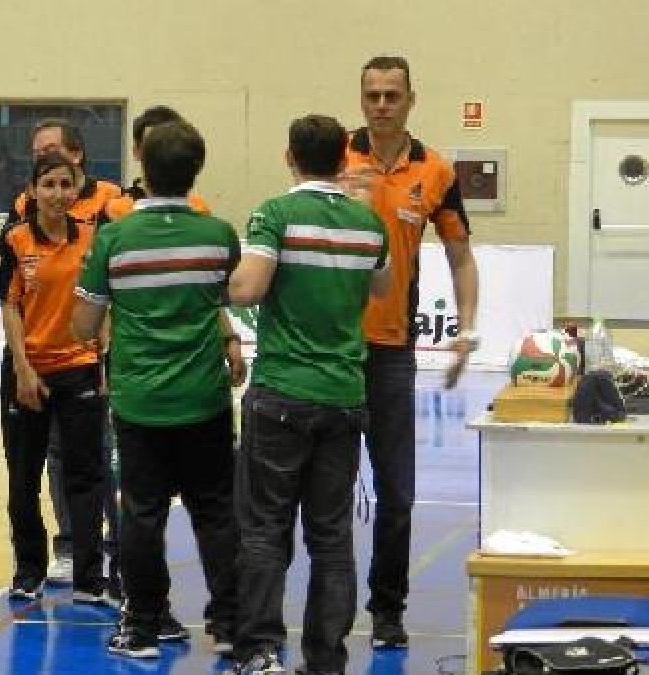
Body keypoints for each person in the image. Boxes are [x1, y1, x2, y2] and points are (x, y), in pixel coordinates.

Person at [224, 114, 391, 675]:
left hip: (282, 396)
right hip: (344, 396)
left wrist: (219, 281)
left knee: (266, 530)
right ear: (344, 159)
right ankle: (326, 660)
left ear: (289, 156)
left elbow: (248, 286)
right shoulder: (370, 223)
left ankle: (259, 651)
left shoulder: (275, 213)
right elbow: (382, 285)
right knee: (332, 538)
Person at [73, 120, 242, 660]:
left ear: (142, 167)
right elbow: (226, 300)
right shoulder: (218, 236)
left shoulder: (114, 239)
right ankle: (230, 623)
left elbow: (82, 325)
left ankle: (143, 628)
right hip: (205, 401)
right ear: (196, 170)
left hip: (140, 403)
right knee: (216, 512)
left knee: (141, 515)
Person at [343, 55, 480, 648]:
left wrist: (467, 330)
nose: (380, 104)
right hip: (331, 352)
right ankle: (327, 614)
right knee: (322, 497)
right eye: (372, 94)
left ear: (410, 99)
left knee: (397, 493)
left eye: (391, 94)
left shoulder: (437, 171)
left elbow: (460, 255)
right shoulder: (334, 156)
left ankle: (388, 611)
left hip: (392, 354)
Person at [0, 118, 122, 592]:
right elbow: (9, 306)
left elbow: (101, 304)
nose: (59, 193)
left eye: (67, 184)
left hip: (81, 371)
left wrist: (103, 363)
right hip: (28, 374)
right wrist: (22, 369)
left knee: (85, 476)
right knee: (24, 478)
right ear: (33, 190)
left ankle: (89, 576)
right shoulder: (15, 240)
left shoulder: (93, 238)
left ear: (78, 187)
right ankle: (29, 571)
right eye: (49, 184)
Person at [100, 105, 211, 223]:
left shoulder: (198, 208)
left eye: (169, 143)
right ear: (136, 152)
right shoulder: (114, 210)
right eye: (151, 144)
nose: (161, 151)